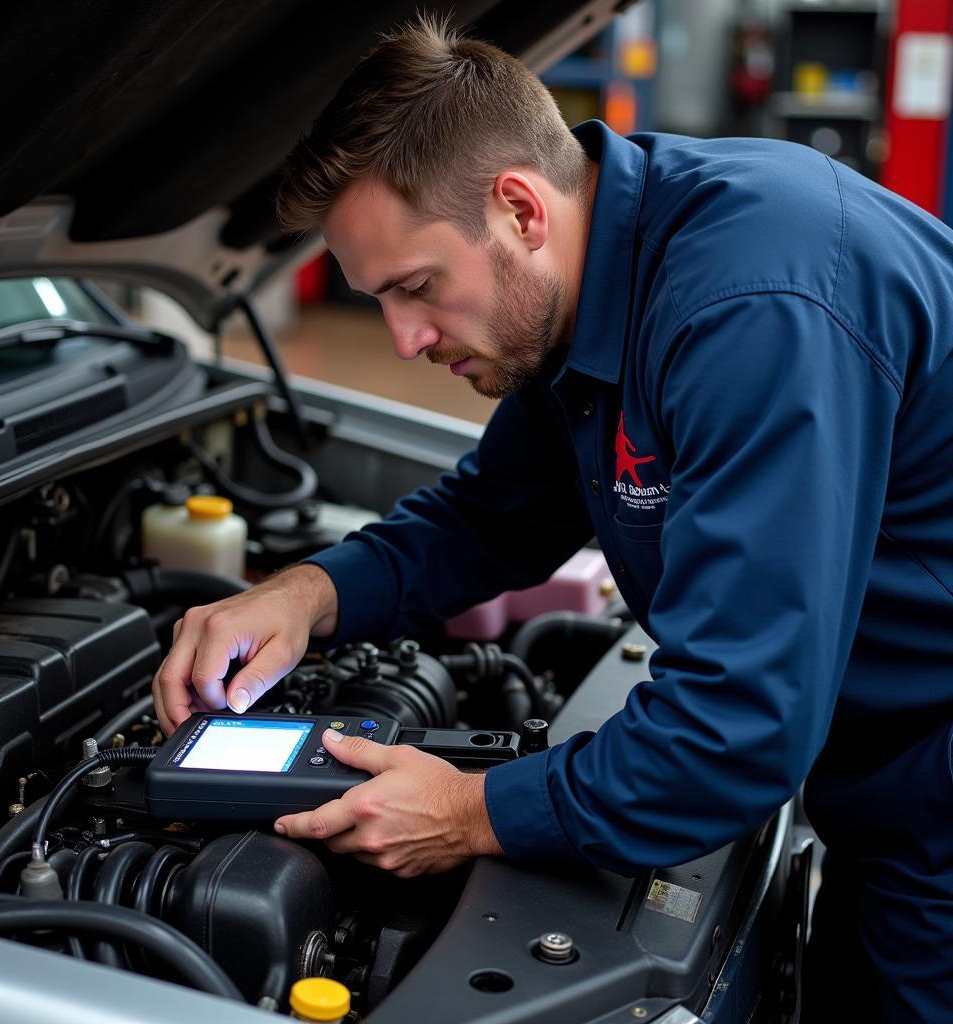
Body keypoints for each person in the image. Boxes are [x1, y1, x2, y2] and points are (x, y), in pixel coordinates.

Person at [152, 15, 953, 1022]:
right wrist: (308, 593)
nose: (402, 339)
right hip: (884, 764)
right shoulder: (591, 288)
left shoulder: (749, 306)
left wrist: (473, 810)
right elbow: (494, 513)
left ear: (520, 208)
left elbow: (735, 730)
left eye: (416, 288)